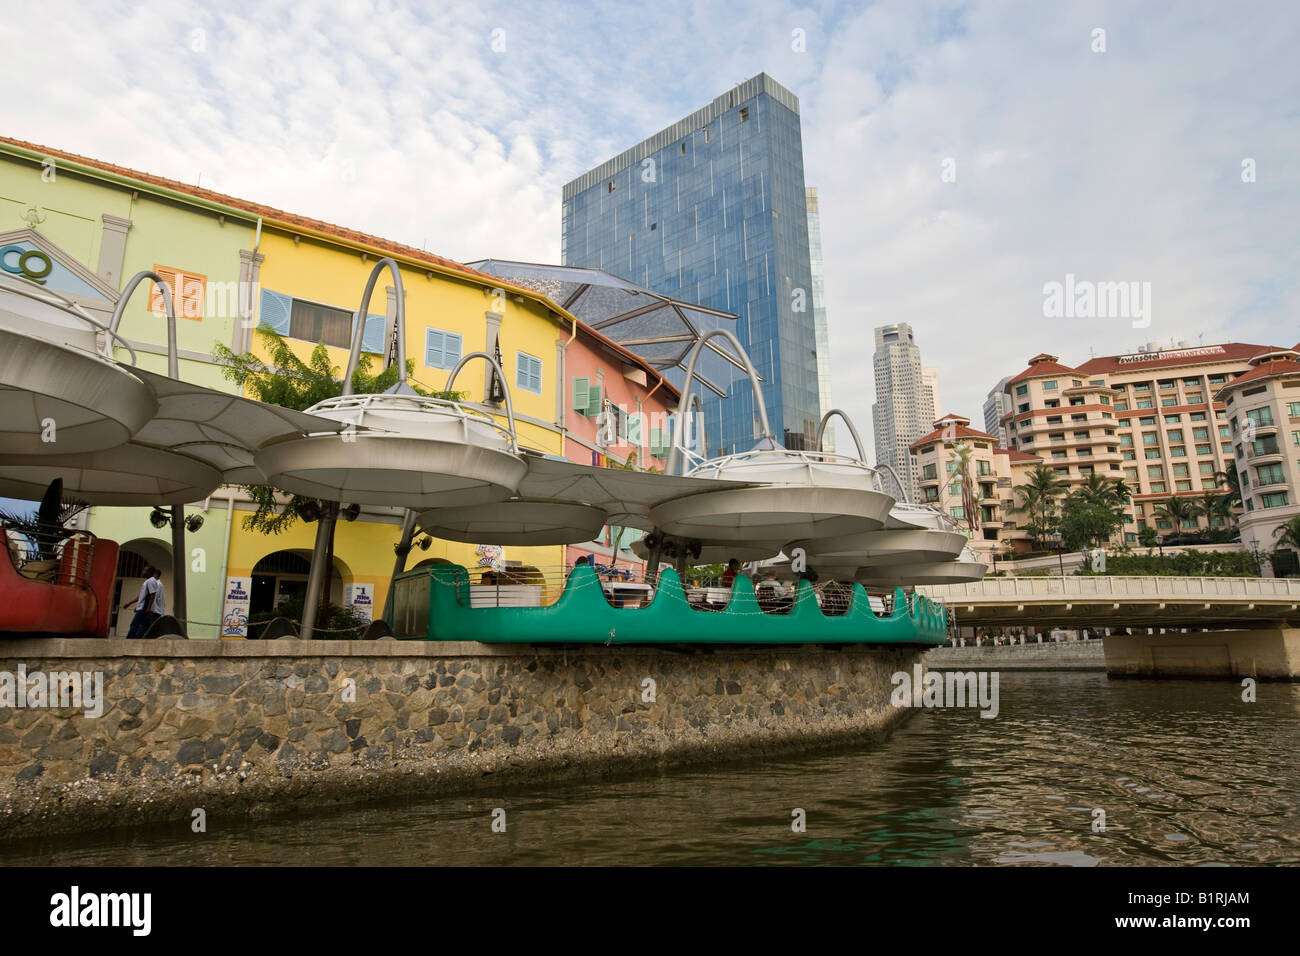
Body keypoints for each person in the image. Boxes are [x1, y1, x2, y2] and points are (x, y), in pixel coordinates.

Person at [124, 566, 165, 638]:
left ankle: (130, 640)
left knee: (137, 626)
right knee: (141, 627)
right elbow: (142, 596)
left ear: (150, 572)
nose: (142, 571)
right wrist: (131, 604)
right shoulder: (148, 581)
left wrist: (148, 608)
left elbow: (152, 595)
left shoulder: (152, 581)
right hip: (144, 608)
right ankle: (133, 640)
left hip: (149, 609)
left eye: (144, 570)